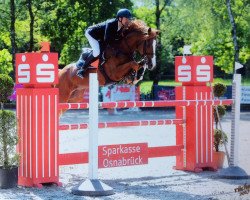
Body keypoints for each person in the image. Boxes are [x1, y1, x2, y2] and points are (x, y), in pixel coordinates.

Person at [76, 8, 133, 79]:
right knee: (97, 52)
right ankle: (82, 69)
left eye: (129, 19)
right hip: (91, 33)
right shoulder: (111, 24)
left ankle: (89, 53)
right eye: (126, 19)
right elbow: (107, 40)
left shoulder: (122, 27)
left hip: (101, 37)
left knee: (103, 50)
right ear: (120, 18)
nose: (128, 21)